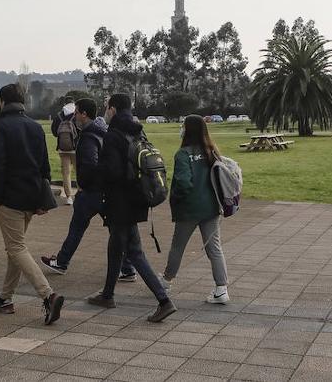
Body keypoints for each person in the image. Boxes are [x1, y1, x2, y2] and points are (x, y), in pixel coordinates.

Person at [88, 93, 175, 323]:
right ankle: (107, 294)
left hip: (120, 201)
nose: (105, 111)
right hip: (137, 198)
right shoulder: (138, 130)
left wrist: (97, 173)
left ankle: (164, 300)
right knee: (117, 246)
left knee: (134, 252)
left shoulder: (113, 135)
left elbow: (112, 171)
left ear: (114, 109)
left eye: (107, 107)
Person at [0, 83, 65, 325]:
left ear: (2, 102)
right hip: (31, 196)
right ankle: (5, 297)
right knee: (15, 248)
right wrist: (42, 199)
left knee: (16, 248)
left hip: (8, 197)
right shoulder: (35, 126)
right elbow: (44, 167)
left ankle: (48, 295)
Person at [41, 98, 136, 281]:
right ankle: (127, 267)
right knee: (113, 229)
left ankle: (62, 261)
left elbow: (91, 164)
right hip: (103, 192)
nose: (74, 116)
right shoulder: (102, 132)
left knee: (78, 228)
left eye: (76, 112)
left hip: (91, 192)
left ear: (84, 114)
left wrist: (85, 183)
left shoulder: (89, 137)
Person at [163, 115, 229, 305]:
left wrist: (176, 198)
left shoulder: (183, 154)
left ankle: (166, 281)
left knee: (178, 246)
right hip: (212, 208)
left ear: (188, 130)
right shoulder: (212, 151)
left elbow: (183, 182)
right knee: (214, 248)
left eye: (183, 126)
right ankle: (221, 289)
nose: (181, 129)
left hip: (189, 209)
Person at [51, 96, 78, 205]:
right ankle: (80, 193)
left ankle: (69, 197)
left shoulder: (59, 115)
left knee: (66, 173)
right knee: (78, 171)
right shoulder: (77, 113)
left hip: (62, 148)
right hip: (76, 147)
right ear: (73, 103)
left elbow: (54, 132)